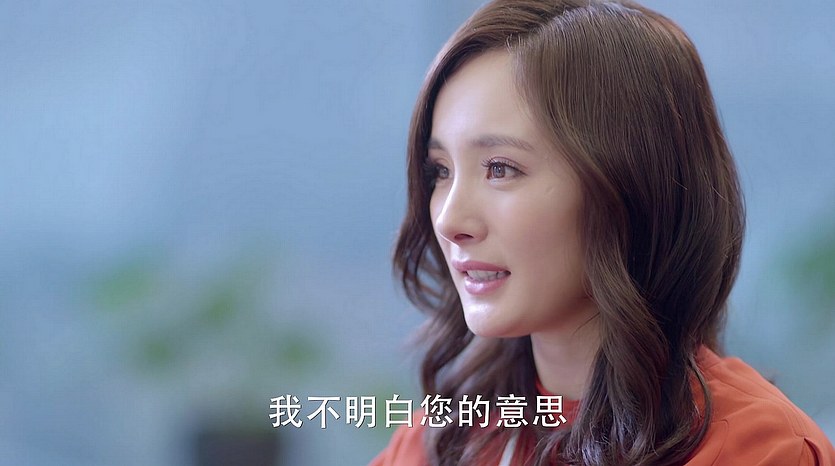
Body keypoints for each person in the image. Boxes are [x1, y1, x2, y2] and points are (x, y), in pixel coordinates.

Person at [371, 0, 835, 464]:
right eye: (441, 171)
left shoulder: (757, 448)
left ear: (631, 183)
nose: (450, 221)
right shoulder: (440, 440)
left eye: (500, 168)